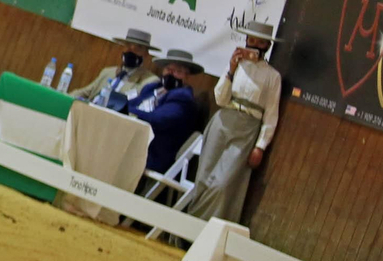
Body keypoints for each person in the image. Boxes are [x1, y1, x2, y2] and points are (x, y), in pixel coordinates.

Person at [185, 21, 282, 226]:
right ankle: (186, 231)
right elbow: (220, 98)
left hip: (247, 128)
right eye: (250, 39)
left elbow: (271, 114)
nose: (252, 44)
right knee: (204, 176)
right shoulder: (237, 65)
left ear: (266, 46)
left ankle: (203, 229)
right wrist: (230, 70)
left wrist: (260, 146)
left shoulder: (273, 77)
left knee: (222, 184)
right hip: (223, 119)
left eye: (258, 41)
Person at [126, 49, 206, 176]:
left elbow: (157, 120)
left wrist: (126, 110)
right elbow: (129, 103)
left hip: (152, 155)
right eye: (168, 69)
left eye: (178, 71)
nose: (171, 74)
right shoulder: (152, 88)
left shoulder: (183, 99)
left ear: (187, 76)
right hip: (132, 144)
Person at [67, 29, 161, 110]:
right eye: (128, 45)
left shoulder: (149, 81)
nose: (131, 50)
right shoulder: (108, 72)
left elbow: (133, 109)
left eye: (138, 48)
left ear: (146, 54)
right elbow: (85, 92)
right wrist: (64, 98)